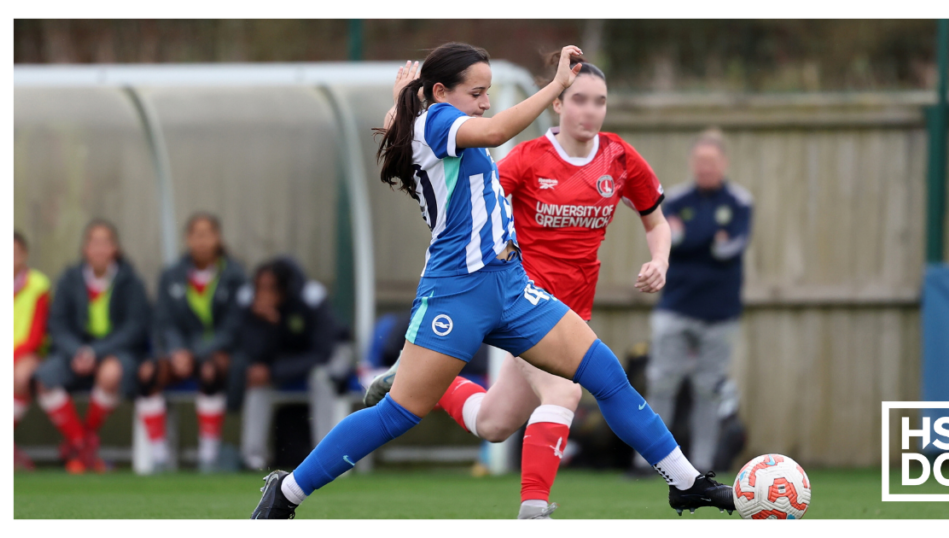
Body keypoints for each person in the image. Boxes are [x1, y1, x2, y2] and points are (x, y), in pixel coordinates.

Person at [251, 42, 734, 519]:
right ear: (440, 92)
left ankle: (686, 482)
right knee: (398, 414)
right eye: (478, 92)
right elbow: (498, 129)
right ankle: (287, 491)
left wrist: (405, 103)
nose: (485, 102)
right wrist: (555, 88)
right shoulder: (439, 122)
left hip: (511, 285)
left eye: (488, 93)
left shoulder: (433, 122)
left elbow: (425, 130)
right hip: (459, 290)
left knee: (607, 377)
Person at [364, 52, 671, 518]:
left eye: (600, 102)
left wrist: (661, 258)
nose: (590, 110)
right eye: (580, 99)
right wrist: (402, 117)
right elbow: (461, 190)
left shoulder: (619, 157)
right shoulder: (526, 159)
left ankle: (420, 377)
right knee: (564, 393)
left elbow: (655, 220)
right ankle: (534, 510)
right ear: (557, 105)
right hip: (520, 303)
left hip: (570, 313)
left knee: (493, 422)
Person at [631, 128, 753, 474]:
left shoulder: (740, 203)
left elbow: (728, 248)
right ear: (691, 163)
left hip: (721, 314)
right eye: (700, 161)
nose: (705, 168)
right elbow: (678, 240)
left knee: (708, 390)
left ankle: (700, 465)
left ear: (724, 164)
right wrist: (706, 236)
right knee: (661, 382)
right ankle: (647, 461)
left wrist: (693, 238)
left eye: (712, 162)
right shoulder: (676, 200)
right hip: (675, 308)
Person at [34, 219, 151, 473]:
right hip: (73, 352)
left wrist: (95, 352)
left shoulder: (130, 281)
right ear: (85, 248)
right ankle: (82, 444)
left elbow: (135, 327)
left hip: (115, 352)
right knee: (44, 379)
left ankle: (80, 447)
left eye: (105, 242)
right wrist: (77, 351)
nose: (99, 248)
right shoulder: (69, 279)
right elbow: (58, 324)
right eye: (93, 242)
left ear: (115, 248)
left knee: (111, 373)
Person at [135, 213, 248, 472]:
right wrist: (176, 352)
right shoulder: (171, 275)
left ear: (218, 238)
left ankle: (208, 456)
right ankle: (159, 457)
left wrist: (194, 354)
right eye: (196, 235)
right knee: (147, 373)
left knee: (210, 371)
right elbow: (163, 321)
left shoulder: (235, 275)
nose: (202, 241)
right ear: (187, 239)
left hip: (217, 355)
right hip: (179, 356)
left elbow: (234, 326)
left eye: (207, 234)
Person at [237, 257, 352, 471]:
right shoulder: (250, 305)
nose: (264, 294)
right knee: (257, 380)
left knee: (323, 378)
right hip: (290, 361)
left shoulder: (312, 298)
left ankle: (325, 458)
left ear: (284, 287)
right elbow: (255, 354)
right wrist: (267, 324)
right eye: (260, 288)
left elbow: (323, 352)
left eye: (270, 288)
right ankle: (253, 458)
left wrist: (274, 371)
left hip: (331, 354)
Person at [14, 231, 51, 471]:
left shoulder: (38, 284)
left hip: (28, 354)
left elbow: (36, 335)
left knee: (20, 376)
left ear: (24, 255)